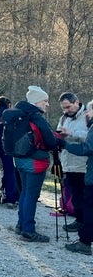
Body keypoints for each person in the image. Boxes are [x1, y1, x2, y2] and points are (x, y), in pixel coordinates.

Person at [12, 85, 59, 242]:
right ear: (38, 102)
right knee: (31, 195)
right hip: (35, 161)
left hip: (19, 158)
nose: (47, 104)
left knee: (25, 193)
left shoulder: (19, 114)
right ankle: (28, 230)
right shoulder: (36, 117)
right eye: (45, 101)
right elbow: (51, 141)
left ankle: (21, 225)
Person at [57, 100, 93, 255]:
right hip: (70, 165)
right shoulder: (64, 118)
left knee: (89, 207)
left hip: (87, 171)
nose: (87, 114)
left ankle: (84, 242)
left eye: (89, 112)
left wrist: (66, 144)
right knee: (81, 200)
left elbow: (87, 148)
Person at [56, 92, 88, 232]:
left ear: (77, 102)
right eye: (63, 108)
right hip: (68, 163)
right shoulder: (63, 118)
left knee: (86, 197)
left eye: (68, 107)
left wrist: (72, 134)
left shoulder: (88, 116)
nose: (66, 110)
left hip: (83, 164)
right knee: (75, 196)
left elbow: (90, 138)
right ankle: (79, 220)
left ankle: (86, 224)